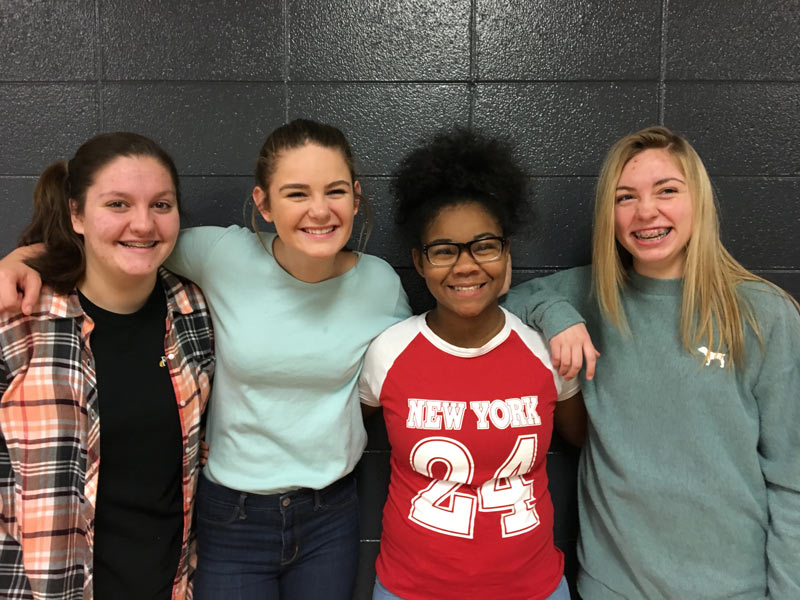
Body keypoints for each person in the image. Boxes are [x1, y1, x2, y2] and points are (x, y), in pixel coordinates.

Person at [0, 119, 410, 599]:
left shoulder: (380, 285)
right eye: (297, 193)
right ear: (264, 204)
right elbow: (127, 243)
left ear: (356, 198)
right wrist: (21, 260)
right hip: (229, 514)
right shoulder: (221, 254)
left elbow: (393, 379)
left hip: (328, 511)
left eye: (335, 191)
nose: (319, 210)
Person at [504, 126, 800, 599]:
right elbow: (496, 304)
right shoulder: (590, 294)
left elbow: (792, 479)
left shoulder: (763, 313)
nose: (646, 212)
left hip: (733, 587)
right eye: (625, 197)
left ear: (698, 200)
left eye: (667, 191)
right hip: (612, 585)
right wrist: (557, 315)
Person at [359, 130, 586, 600]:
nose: (465, 266)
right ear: (419, 261)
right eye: (444, 250)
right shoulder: (388, 352)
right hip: (410, 589)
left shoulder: (545, 351)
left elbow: (583, 438)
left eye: (484, 245)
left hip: (533, 589)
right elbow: (337, 434)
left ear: (506, 251)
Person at [0, 132, 215, 600]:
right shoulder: (22, 316)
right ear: (76, 214)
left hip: (170, 585)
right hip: (50, 586)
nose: (143, 224)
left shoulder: (193, 311)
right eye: (118, 204)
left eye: (161, 205)